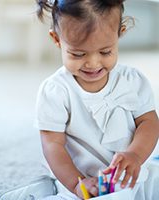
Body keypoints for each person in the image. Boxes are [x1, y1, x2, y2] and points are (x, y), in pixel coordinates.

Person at [34, 0, 159, 200]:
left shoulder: (132, 80)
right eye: (78, 54)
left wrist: (135, 155)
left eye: (105, 52)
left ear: (120, 33)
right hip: (84, 184)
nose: (92, 63)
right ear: (57, 39)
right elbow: (52, 144)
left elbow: (149, 122)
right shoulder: (56, 90)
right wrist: (77, 183)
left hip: (134, 174)